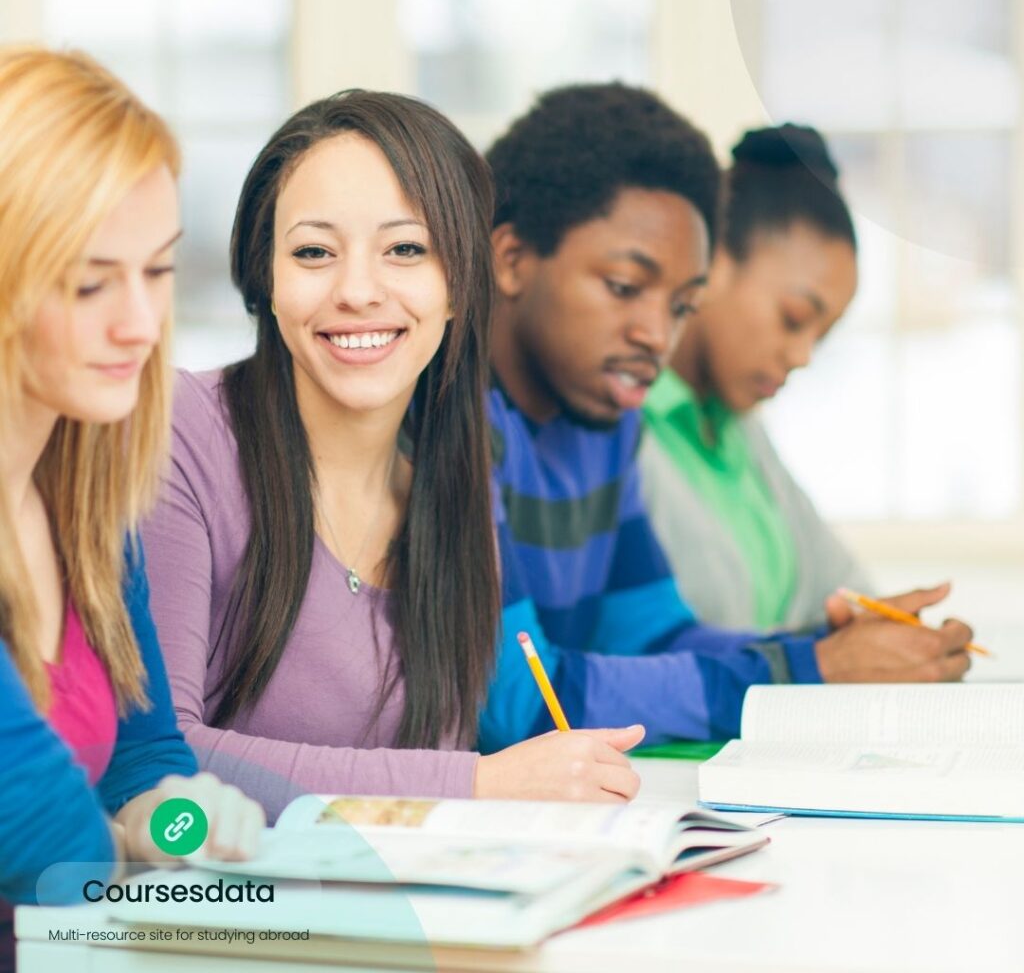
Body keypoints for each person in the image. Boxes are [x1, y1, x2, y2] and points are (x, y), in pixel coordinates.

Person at [141, 89, 643, 823]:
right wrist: (479, 784)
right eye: (313, 252)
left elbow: (423, 814)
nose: (356, 291)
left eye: (405, 249)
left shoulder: (455, 494)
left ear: (456, 285)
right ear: (267, 280)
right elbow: (163, 759)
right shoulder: (182, 435)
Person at [477, 83, 973, 753]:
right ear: (511, 260)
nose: (657, 334)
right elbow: (517, 703)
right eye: (625, 287)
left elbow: (652, 635)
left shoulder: (606, 423)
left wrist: (824, 652)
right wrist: (810, 672)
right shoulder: (453, 424)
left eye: (682, 305)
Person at [0, 47, 264, 969]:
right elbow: (48, 847)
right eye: (89, 281)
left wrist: (184, 821)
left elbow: (141, 762)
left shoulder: (88, 502)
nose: (141, 325)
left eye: (156, 272)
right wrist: (121, 849)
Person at [640, 123, 873, 631]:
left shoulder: (737, 429)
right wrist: (816, 657)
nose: (803, 356)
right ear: (712, 263)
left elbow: (843, 584)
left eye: (821, 336)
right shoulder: (620, 428)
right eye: (793, 318)